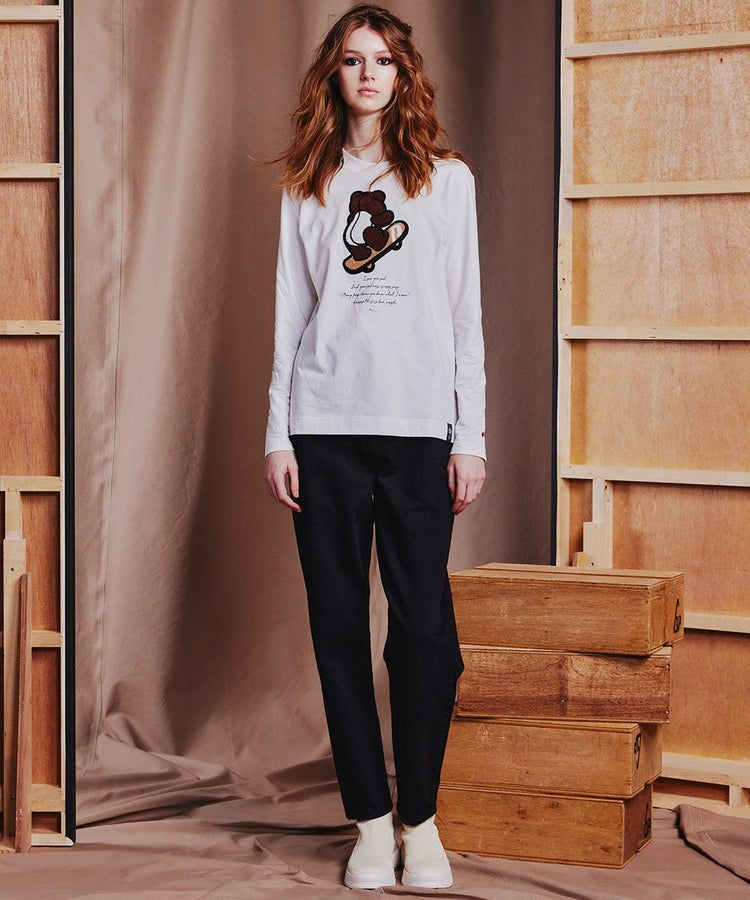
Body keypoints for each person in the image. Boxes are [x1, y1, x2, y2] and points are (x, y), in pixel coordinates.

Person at [264, 4, 485, 890]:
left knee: (422, 630)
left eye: (384, 60)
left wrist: (469, 436)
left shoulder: (446, 181)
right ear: (335, 73)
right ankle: (370, 820)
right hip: (323, 428)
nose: (368, 74)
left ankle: (420, 819)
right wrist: (276, 433)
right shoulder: (307, 183)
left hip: (419, 428)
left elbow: (465, 318)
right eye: (353, 60)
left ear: (404, 75)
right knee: (337, 628)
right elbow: (289, 314)